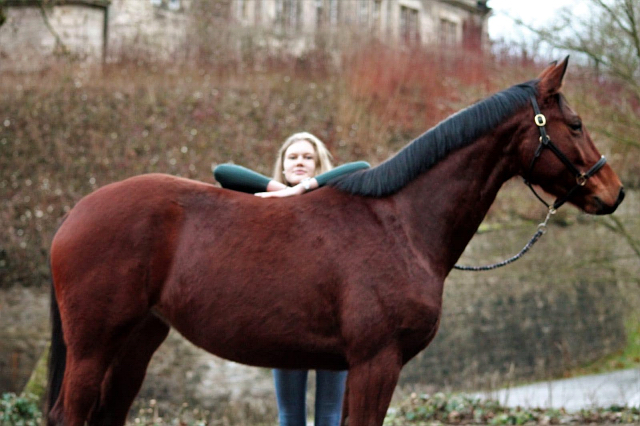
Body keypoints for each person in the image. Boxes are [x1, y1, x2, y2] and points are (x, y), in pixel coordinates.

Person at [212, 132, 369, 426]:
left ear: (318, 166)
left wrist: (303, 191)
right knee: (290, 416)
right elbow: (222, 172)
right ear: (283, 165)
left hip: (333, 323)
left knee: (330, 415)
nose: (300, 162)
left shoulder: (336, 205)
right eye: (293, 157)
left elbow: (361, 165)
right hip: (287, 322)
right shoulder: (269, 202)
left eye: (308, 158)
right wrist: (280, 189)